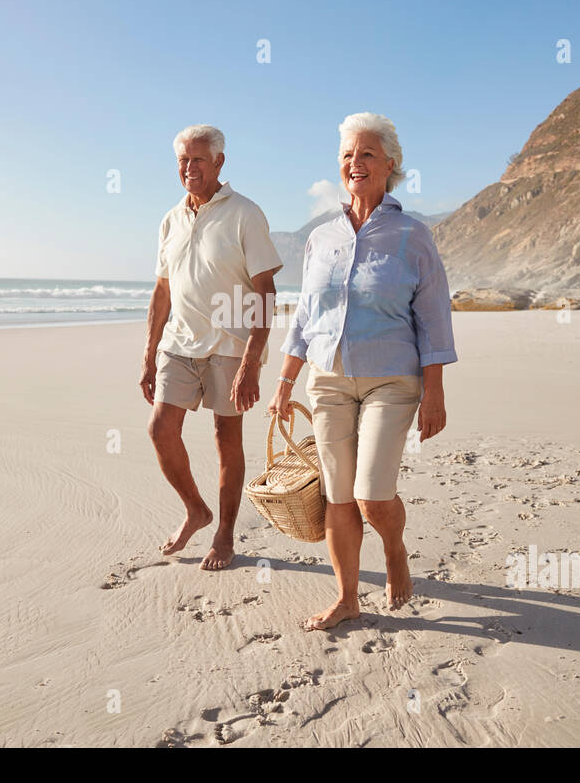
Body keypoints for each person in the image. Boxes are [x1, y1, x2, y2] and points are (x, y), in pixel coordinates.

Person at [268, 112, 457, 630]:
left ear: (391, 165)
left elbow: (434, 317)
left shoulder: (412, 236)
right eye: (348, 154)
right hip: (327, 380)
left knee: (373, 495)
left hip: (392, 381)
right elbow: (307, 315)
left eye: (367, 153)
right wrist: (285, 381)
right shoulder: (321, 238)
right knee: (338, 495)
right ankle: (348, 596)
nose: (356, 163)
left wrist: (434, 391)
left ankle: (394, 549)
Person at [142, 124, 284, 570]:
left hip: (231, 344)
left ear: (219, 162)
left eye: (198, 159)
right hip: (179, 343)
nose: (189, 168)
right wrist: (148, 355)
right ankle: (196, 511)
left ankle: (224, 535)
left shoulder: (245, 213)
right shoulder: (171, 218)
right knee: (160, 429)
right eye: (183, 160)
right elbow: (163, 291)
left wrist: (252, 363)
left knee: (227, 438)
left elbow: (266, 291)